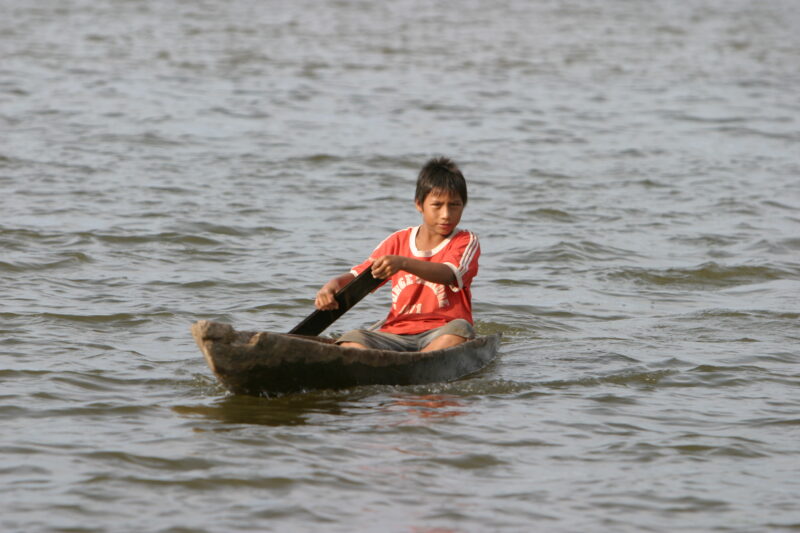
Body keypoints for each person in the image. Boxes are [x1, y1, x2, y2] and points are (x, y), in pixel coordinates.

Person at [314, 157, 480, 352]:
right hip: (396, 334)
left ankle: (416, 364)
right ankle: (391, 365)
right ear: (419, 204)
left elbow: (449, 274)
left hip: (441, 332)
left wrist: (403, 263)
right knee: (351, 339)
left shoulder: (465, 241)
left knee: (460, 330)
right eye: (437, 205)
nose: (446, 214)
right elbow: (360, 277)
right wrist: (331, 286)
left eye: (454, 205)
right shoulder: (397, 241)